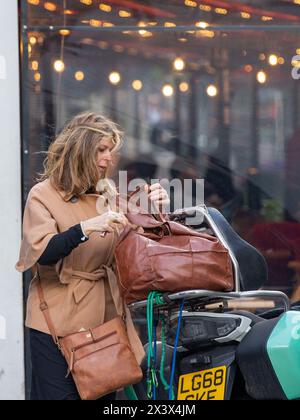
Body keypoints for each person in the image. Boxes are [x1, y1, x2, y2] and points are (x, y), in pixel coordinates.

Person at [16, 111, 170, 400]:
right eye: (101, 149)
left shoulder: (109, 195)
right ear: (80, 149)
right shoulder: (43, 194)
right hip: (55, 323)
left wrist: (156, 210)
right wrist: (84, 228)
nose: (108, 158)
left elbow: (142, 249)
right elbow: (43, 254)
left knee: (103, 398)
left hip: (104, 320)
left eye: (111, 150)